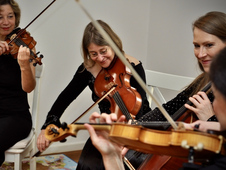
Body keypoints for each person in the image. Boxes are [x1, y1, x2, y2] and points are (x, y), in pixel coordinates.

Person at [83, 11, 226, 169]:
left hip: (207, 162)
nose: (200, 54)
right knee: (94, 149)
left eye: (209, 45)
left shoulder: (225, 85)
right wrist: (133, 130)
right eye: (196, 45)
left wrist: (210, 119)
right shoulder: (203, 81)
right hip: (179, 152)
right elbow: (167, 110)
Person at [37, 20, 151, 170]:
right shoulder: (89, 68)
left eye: (103, 51)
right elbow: (66, 97)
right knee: (87, 164)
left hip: (136, 127)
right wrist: (47, 125)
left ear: (113, 44)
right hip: (106, 128)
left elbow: (142, 106)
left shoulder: (132, 66)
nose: (100, 58)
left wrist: (127, 133)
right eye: (93, 54)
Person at [0, 0, 36, 169]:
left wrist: (24, 65)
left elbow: (29, 87)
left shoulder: (23, 46)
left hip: (15, 115)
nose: (6, 22)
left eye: (10, 16)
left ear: (15, 18)